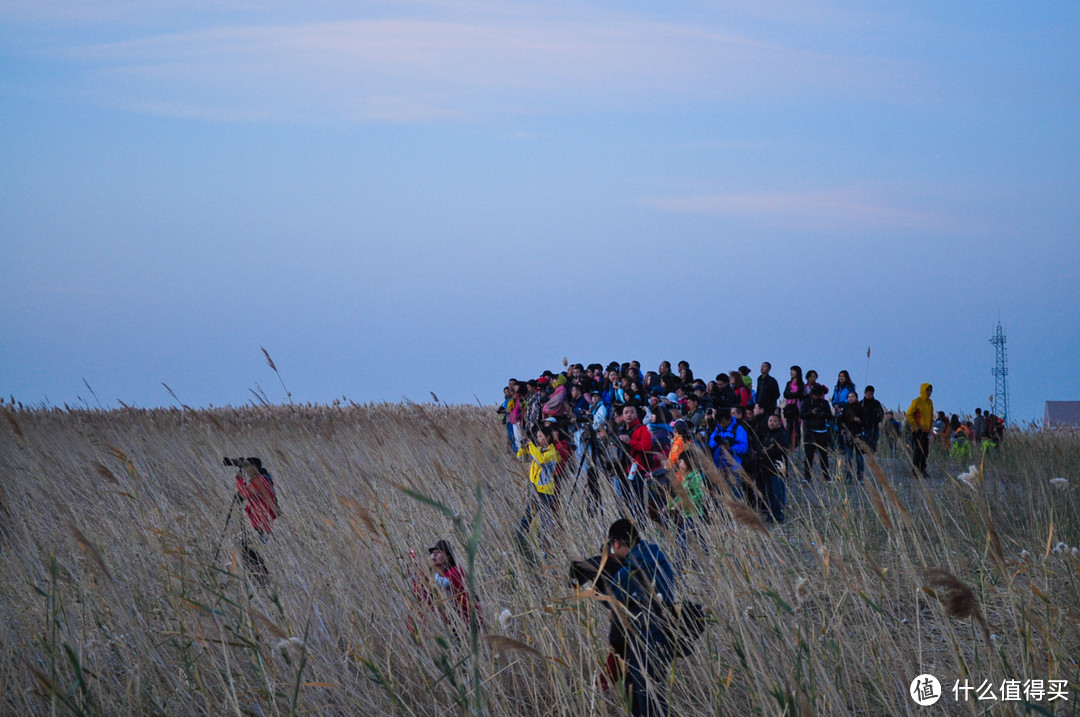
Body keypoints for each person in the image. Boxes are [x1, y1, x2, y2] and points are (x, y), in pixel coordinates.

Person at [606, 518, 678, 717]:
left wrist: (617, 647)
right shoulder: (660, 560)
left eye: (611, 546)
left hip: (639, 647)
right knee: (658, 699)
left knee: (642, 705)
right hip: (664, 641)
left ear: (617, 543)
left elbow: (615, 618)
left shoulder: (623, 575)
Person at [516, 424, 561, 557]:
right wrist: (524, 447)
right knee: (527, 518)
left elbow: (540, 461)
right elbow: (521, 458)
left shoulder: (552, 453)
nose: (538, 439)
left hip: (546, 493)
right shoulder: (538, 451)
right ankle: (520, 543)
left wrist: (530, 445)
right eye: (537, 437)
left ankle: (545, 551)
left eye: (541, 436)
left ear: (548, 437)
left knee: (544, 523)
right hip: (535, 490)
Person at [232, 457, 278, 585]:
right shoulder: (262, 479)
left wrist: (239, 480)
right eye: (244, 466)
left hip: (261, 521)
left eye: (247, 466)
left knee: (250, 552)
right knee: (249, 551)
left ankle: (262, 580)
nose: (246, 469)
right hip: (260, 521)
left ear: (255, 467)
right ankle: (260, 579)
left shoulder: (260, 481)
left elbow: (245, 494)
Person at [422, 539, 483, 630]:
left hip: (469, 619)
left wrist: (428, 573)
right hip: (454, 622)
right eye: (432, 553)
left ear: (448, 556)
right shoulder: (439, 574)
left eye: (438, 552)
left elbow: (443, 583)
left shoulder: (456, 571)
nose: (434, 555)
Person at [800, 384, 833, 483]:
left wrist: (823, 414)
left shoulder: (825, 403)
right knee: (808, 455)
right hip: (810, 431)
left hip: (822, 431)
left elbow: (830, 416)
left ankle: (826, 476)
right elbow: (802, 415)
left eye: (818, 395)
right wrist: (811, 413)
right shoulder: (806, 403)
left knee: (823, 455)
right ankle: (807, 476)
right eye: (814, 394)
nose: (816, 397)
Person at [906, 383, 934, 478]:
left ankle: (922, 469)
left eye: (930, 390)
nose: (929, 392)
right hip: (918, 431)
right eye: (928, 390)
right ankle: (915, 471)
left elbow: (931, 417)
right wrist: (914, 425)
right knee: (918, 451)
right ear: (923, 390)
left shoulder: (930, 402)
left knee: (925, 451)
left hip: (926, 431)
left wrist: (931, 428)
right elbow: (909, 414)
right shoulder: (917, 401)